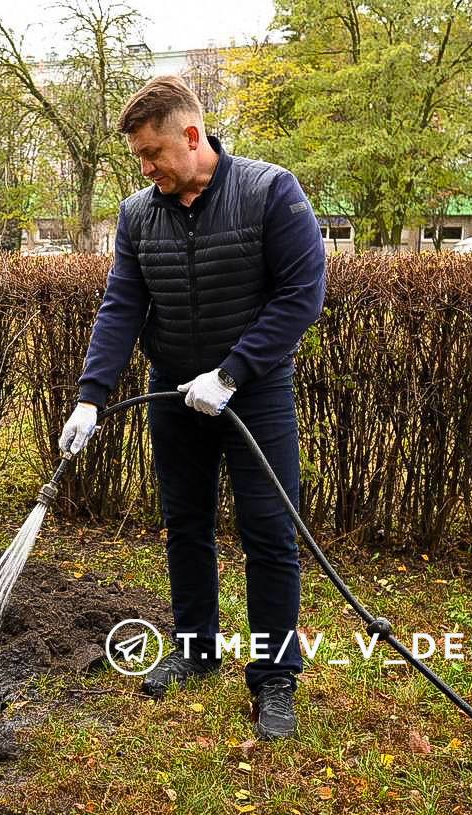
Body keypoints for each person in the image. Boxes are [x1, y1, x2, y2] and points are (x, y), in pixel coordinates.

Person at [58, 76, 326, 740]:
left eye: (153, 154)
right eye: (138, 159)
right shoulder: (137, 214)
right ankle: (196, 648)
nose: (146, 169)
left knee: (269, 532)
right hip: (176, 392)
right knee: (185, 524)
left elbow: (301, 295)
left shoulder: (270, 191)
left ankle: (274, 676)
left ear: (191, 134)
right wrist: (91, 397)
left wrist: (233, 372)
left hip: (254, 393)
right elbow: (122, 306)